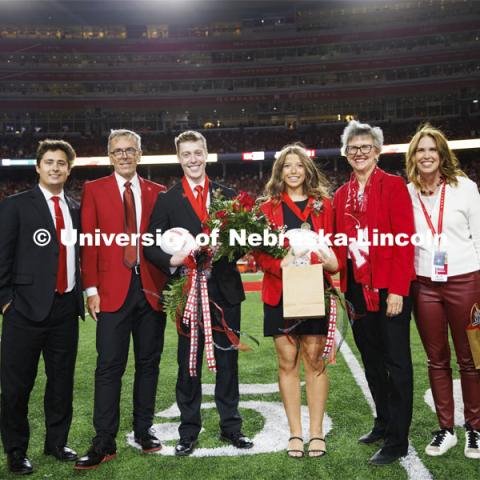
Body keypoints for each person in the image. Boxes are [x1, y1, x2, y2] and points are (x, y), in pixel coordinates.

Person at [144, 130, 253, 456]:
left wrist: (227, 247)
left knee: (227, 362)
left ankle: (231, 427)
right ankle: (188, 430)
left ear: (206, 154)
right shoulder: (167, 199)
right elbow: (151, 244)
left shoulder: (227, 194)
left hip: (225, 291)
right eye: (186, 154)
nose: (193, 159)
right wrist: (176, 259)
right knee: (188, 363)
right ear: (179, 158)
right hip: (188, 290)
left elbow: (245, 242)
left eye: (197, 153)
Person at [74, 130, 167, 470]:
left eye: (130, 150)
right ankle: (104, 441)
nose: (124, 156)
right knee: (108, 367)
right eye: (118, 151)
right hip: (111, 293)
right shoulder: (93, 189)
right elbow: (89, 244)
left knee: (148, 363)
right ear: (109, 156)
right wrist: (91, 290)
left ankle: (144, 430)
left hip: (151, 291)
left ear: (140, 154)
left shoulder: (158, 193)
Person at [333, 120, 416, 466]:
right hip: (356, 288)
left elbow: (405, 242)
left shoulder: (394, 186)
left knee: (396, 363)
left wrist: (398, 290)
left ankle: (398, 440)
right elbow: (337, 245)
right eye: (353, 148)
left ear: (377, 152)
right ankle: (383, 422)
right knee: (371, 361)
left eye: (366, 147)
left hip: (388, 288)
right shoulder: (340, 195)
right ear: (346, 154)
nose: (360, 153)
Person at [0, 139, 84, 475]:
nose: (54, 167)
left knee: (61, 381)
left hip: (65, 308)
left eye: (61, 163)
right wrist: (6, 302)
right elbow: (1, 257)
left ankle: (56, 441)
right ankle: (16, 450)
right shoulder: (15, 205)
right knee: (17, 386)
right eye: (48, 162)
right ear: (38, 167)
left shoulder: (76, 208)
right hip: (24, 310)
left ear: (68, 168)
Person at [253, 144, 339, 458]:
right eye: (287, 165)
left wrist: (323, 258)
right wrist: (281, 264)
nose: (293, 171)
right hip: (279, 292)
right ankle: (295, 433)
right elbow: (259, 256)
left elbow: (336, 252)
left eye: (298, 165)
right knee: (286, 362)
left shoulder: (324, 206)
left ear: (307, 170)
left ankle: (316, 433)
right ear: (279, 171)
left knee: (315, 362)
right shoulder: (266, 208)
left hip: (315, 291)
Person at [406, 124, 480, 459]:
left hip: (465, 280)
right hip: (425, 284)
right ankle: (446, 429)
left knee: (471, 359)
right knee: (436, 360)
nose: (426, 156)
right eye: (420, 150)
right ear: (413, 156)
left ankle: (475, 430)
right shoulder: (407, 193)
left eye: (431, 150)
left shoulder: (465, 188)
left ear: (442, 154)